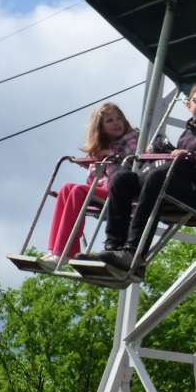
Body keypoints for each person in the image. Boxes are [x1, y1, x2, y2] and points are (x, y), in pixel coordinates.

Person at [93, 77, 196, 276]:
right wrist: (165, 150)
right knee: (123, 179)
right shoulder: (190, 130)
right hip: (182, 186)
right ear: (188, 104)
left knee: (157, 177)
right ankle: (114, 247)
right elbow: (181, 160)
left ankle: (134, 253)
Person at [42, 102, 137, 268]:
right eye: (110, 121)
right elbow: (92, 182)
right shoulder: (100, 149)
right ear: (100, 128)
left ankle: (63, 252)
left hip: (121, 191)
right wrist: (97, 164)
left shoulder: (131, 139)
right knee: (67, 188)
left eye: (119, 118)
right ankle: (54, 248)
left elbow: (136, 157)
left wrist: (112, 155)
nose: (116, 123)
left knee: (78, 191)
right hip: (105, 188)